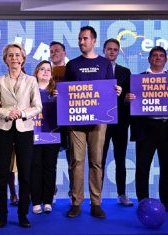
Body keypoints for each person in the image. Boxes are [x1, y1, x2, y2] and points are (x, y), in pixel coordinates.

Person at [64, 26, 121, 219]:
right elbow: (67, 93)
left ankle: (96, 202)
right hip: (77, 121)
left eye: (85, 39)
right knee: (77, 161)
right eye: (79, 39)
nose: (81, 42)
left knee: (96, 161)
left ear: (94, 41)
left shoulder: (105, 64)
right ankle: (76, 202)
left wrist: (117, 91)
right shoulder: (72, 65)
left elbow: (109, 90)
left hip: (99, 121)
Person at [0, 43, 42, 228]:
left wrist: (22, 113)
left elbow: (37, 106)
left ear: (23, 58)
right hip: (3, 130)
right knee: (1, 175)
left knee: (25, 175)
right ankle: (2, 215)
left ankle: (22, 215)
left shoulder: (31, 81)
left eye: (17, 55)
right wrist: (7, 113)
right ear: (5, 59)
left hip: (24, 130)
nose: (14, 58)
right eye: (10, 55)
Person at [126, 46, 168, 212]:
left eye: (161, 56)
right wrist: (127, 99)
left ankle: (166, 203)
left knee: (167, 167)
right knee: (143, 167)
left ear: (165, 60)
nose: (158, 58)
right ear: (149, 59)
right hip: (146, 128)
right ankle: (143, 202)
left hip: (166, 127)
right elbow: (127, 102)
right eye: (155, 56)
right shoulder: (138, 79)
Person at [101, 38, 133, 206]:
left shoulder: (125, 71)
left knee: (120, 159)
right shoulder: (96, 69)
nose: (112, 52)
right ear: (103, 50)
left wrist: (126, 97)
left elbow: (129, 97)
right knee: (99, 159)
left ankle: (121, 194)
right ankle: (96, 196)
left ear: (118, 52)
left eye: (115, 49)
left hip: (120, 122)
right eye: (109, 49)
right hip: (101, 123)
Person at [30, 60, 60, 214]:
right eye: (42, 69)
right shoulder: (29, 91)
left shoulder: (57, 92)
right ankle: (36, 202)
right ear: (36, 72)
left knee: (49, 168)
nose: (46, 72)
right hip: (33, 135)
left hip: (52, 135)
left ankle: (47, 201)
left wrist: (60, 99)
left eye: (49, 69)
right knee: (35, 168)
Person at [49, 41, 71, 203]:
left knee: (73, 159)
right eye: (51, 51)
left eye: (57, 50)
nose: (54, 53)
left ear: (64, 52)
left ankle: (74, 194)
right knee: (51, 159)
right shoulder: (44, 70)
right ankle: (51, 192)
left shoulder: (73, 68)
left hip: (70, 119)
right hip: (51, 118)